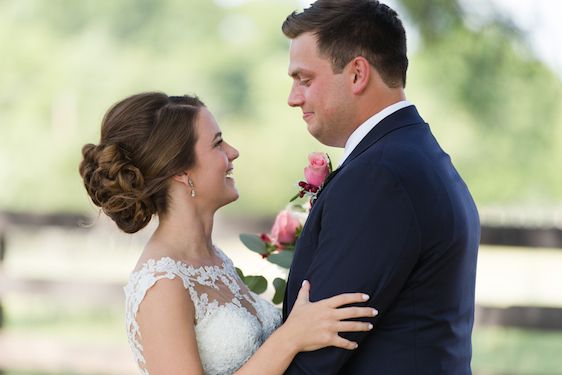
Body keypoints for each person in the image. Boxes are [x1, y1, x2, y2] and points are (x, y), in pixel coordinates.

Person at [78, 92, 377, 375]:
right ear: (180, 171)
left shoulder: (214, 260)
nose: (233, 152)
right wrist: (291, 337)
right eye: (217, 143)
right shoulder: (162, 285)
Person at [281, 1, 480, 374]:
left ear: (357, 74)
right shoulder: (416, 154)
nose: (294, 98)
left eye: (304, 80)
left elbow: (315, 359)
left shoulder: (379, 177)